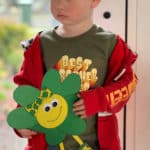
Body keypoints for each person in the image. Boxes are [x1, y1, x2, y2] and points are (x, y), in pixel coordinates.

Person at [13, 0, 138, 149]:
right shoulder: (39, 44)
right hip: (47, 144)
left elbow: (128, 83)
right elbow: (26, 88)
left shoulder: (110, 44)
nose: (60, 4)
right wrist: (21, 120)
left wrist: (98, 100)